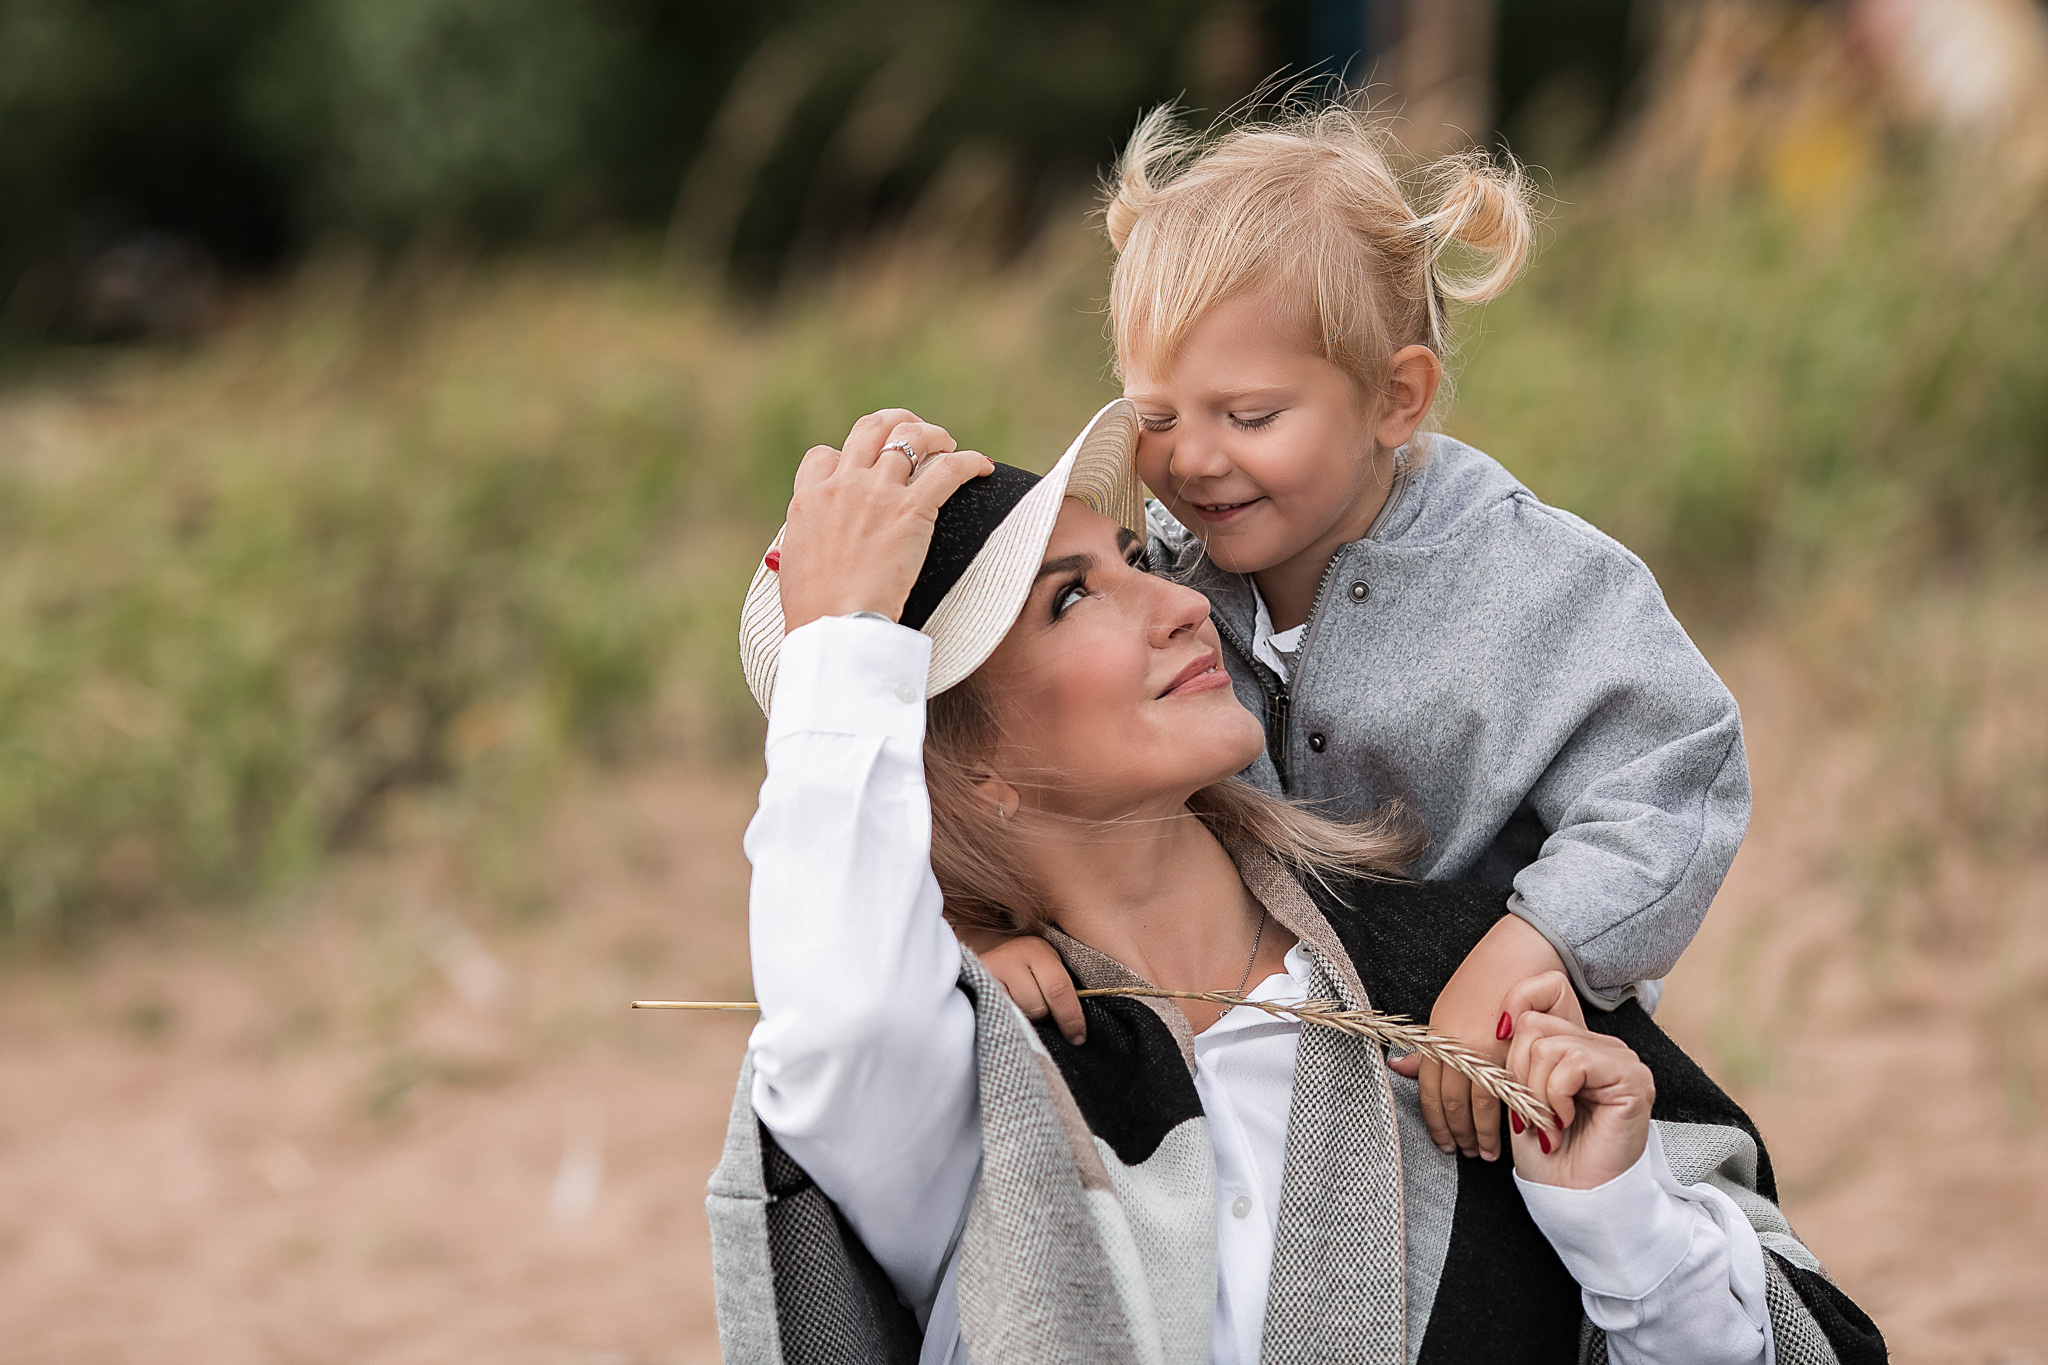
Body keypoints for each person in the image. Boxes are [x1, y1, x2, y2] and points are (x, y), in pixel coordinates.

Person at [709, 404, 1883, 1364]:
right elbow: (840, 1006)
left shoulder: (1457, 982)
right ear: (965, 772)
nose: (1178, 603)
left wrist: (1619, 1223)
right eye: (1073, 599)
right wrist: (844, 637)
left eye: (1130, 560)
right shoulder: (975, 1072)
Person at [974, 105, 1751, 1167]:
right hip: (1262, 1048)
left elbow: (1672, 777)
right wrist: (977, 931)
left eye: (1247, 417)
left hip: (1501, 1053)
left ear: (1395, 397)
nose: (1193, 461)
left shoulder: (1529, 579)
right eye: (1155, 418)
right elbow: (1011, 765)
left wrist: (1537, 945)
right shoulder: (1151, 575)